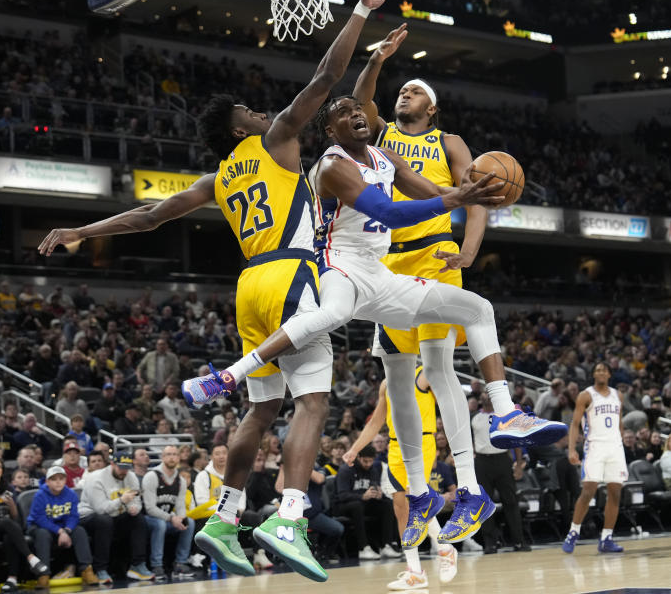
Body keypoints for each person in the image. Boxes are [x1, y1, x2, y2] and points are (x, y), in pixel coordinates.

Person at [39, 0, 399, 583]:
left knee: (259, 414)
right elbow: (327, 77)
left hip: (248, 290)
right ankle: (288, 515)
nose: (264, 112)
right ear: (241, 129)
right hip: (291, 278)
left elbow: (149, 217)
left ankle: (225, 521)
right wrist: (361, 12)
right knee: (313, 400)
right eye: (250, 111)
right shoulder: (280, 138)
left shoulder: (217, 178)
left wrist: (82, 231)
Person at [186, 93, 565, 550]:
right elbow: (387, 212)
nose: (354, 114)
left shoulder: (386, 155)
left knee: (477, 308)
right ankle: (227, 377)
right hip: (334, 267)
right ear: (330, 131)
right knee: (330, 317)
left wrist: (473, 195)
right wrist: (456, 199)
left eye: (357, 108)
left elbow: (432, 194)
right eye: (342, 112)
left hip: (380, 275)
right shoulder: (330, 164)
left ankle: (505, 414)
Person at [351, 24, 500, 558]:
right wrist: (378, 60)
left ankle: (470, 486)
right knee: (396, 381)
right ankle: (419, 494)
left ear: (432, 108)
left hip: (437, 257)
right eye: (402, 91)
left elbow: (478, 198)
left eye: (413, 91)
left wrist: (471, 250)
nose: (403, 95)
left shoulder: (449, 142)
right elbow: (364, 100)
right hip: (386, 264)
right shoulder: (380, 135)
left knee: (437, 371)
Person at [344, 369, 457, 589]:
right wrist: (355, 449)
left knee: (416, 499)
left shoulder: (423, 374)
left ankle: (445, 548)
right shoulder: (386, 384)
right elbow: (376, 421)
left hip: (422, 442)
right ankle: (415, 571)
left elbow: (450, 403)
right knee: (401, 508)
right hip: (395, 446)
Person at [564, 362, 627, 553]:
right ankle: (573, 532)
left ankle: (606, 538)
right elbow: (575, 424)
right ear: (594, 374)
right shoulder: (586, 395)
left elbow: (620, 421)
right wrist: (571, 449)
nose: (600, 373)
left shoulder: (618, 395)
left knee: (615, 492)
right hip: (595, 447)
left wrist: (621, 440)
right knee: (588, 491)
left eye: (603, 370)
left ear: (609, 374)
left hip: (615, 447)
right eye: (597, 370)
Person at [0, 459, 50, 592]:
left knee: (9, 536)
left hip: (7, 529)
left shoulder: (8, 487)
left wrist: (12, 505)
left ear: (2, 470)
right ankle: (31, 558)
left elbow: (14, 516)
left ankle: (12, 579)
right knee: (7, 523)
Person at [78, 451, 154, 584]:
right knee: (104, 521)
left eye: (127, 468)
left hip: (115, 514)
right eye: (121, 467)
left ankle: (137, 565)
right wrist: (122, 501)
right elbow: (101, 509)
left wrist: (135, 508)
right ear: (112, 464)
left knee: (138, 519)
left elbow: (136, 500)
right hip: (89, 516)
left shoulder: (131, 477)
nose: (124, 471)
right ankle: (100, 569)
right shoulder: (96, 479)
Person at [470, 391, 527, 553]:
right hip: (482, 461)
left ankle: (519, 541)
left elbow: (516, 440)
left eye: (489, 392)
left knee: (511, 501)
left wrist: (518, 464)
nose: (486, 395)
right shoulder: (474, 417)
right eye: (484, 393)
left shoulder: (505, 416)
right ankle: (490, 543)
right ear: (480, 398)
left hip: (502, 459)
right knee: (485, 504)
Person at [27, 466, 98, 587]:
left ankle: (87, 570)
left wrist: (66, 530)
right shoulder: (40, 495)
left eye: (61, 478)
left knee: (79, 531)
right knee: (42, 534)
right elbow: (40, 518)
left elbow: (74, 516)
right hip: (39, 526)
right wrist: (60, 531)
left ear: (65, 480)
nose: (58, 481)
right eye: (54, 479)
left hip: (62, 527)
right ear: (48, 481)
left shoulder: (71, 494)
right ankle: (43, 574)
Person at [334, 445, 396, 560]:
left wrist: (378, 494)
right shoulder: (346, 470)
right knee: (357, 506)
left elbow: (375, 487)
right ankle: (364, 548)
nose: (368, 464)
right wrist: (362, 496)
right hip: (343, 505)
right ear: (358, 457)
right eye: (365, 461)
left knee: (387, 504)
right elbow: (342, 495)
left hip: (364, 503)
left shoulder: (373, 470)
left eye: (371, 461)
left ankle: (386, 545)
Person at [142, 445, 195, 579]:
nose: (172, 457)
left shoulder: (181, 481)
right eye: (168, 454)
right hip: (147, 519)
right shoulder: (152, 476)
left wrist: (181, 519)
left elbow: (180, 506)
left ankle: (180, 564)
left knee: (190, 523)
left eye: (175, 454)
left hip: (166, 519)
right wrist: (171, 519)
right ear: (162, 457)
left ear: (178, 458)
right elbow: (150, 508)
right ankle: (156, 566)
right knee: (160, 524)